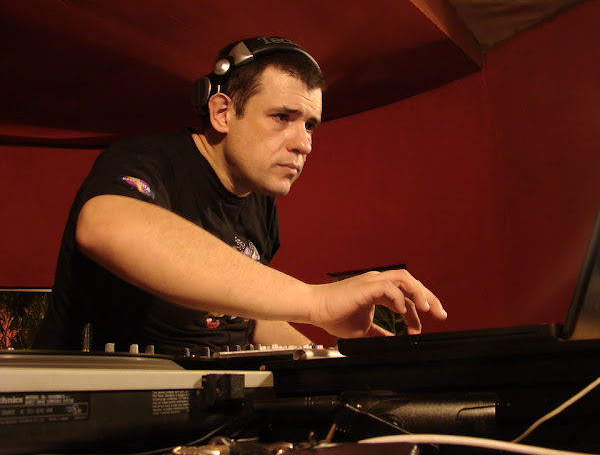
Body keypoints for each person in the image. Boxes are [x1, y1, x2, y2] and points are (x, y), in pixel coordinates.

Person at [34, 36, 447, 356]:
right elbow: (105, 227)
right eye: (282, 117)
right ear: (222, 113)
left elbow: (247, 320)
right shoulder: (147, 159)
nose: (304, 143)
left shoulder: (260, 203)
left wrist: (324, 358)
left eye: (310, 125)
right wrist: (315, 300)